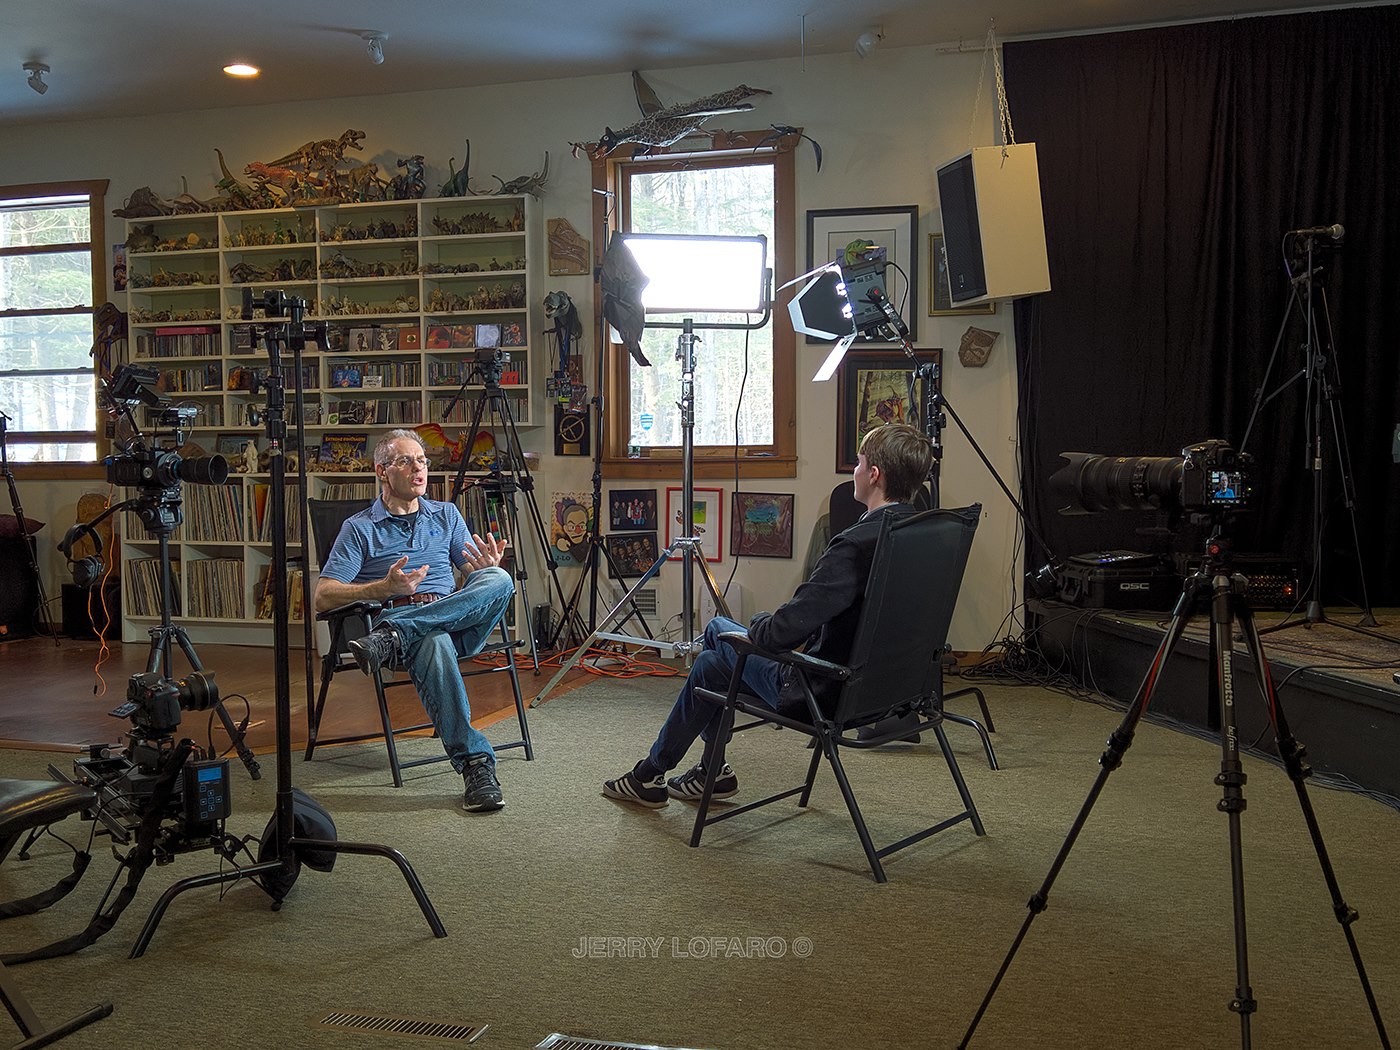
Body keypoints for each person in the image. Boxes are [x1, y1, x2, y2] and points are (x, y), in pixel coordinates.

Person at [603, 422, 934, 807]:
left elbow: (782, 632)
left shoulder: (855, 546)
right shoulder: (922, 535)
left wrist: (761, 623)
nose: (854, 472)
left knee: (715, 644)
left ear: (874, 475)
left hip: (824, 692)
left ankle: (658, 774)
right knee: (713, 660)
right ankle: (699, 773)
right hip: (890, 690)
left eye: (859, 463)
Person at [314, 428, 514, 812]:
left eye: (421, 460)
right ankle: (475, 764)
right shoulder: (359, 529)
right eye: (405, 461)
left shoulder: (446, 515)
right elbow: (323, 595)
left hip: (448, 619)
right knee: (432, 639)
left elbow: (472, 575)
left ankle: (395, 634)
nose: (418, 468)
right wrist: (380, 589)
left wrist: (482, 569)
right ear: (382, 472)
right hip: (408, 621)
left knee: (499, 579)